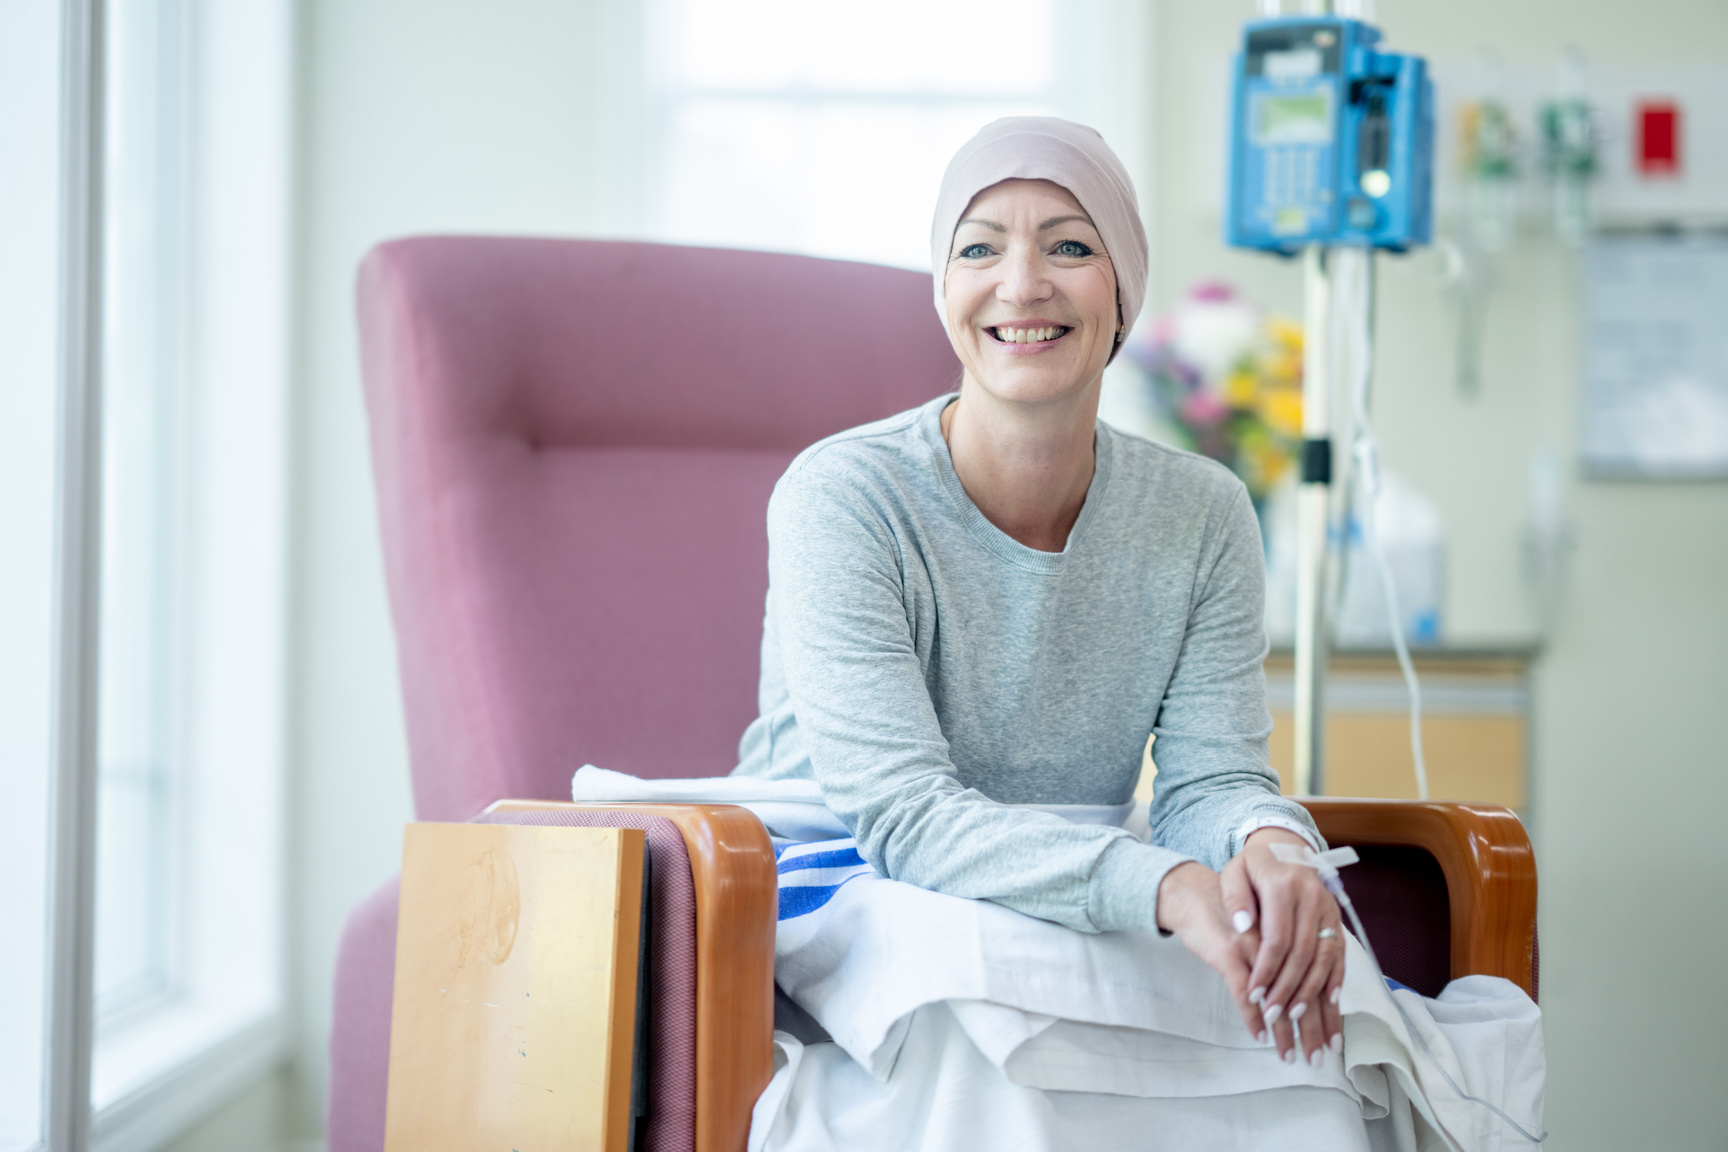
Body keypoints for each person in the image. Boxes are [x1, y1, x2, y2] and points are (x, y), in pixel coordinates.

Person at [734, 116, 1346, 1069]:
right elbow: (900, 815)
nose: (1021, 285)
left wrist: (1267, 844)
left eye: (1069, 246)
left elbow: (1211, 784)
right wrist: (1164, 888)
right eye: (980, 249)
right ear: (945, 289)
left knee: (1313, 1022)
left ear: (1123, 289)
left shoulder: (1202, 513)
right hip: (835, 897)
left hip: (1055, 898)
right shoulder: (844, 497)